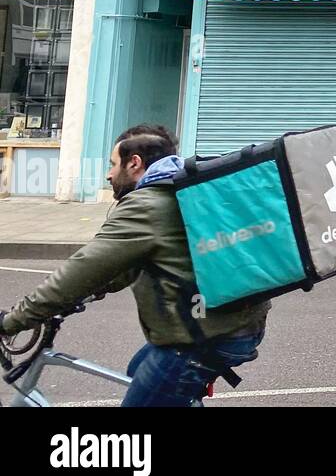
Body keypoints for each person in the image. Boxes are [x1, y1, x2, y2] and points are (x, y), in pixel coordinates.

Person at [0, 124, 271, 407]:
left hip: (202, 339)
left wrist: (12, 321)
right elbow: (124, 267)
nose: (108, 174)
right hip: (235, 326)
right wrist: (86, 294)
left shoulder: (146, 205)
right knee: (139, 372)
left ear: (134, 163)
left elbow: (80, 270)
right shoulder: (179, 191)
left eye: (113, 165)